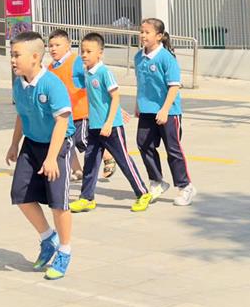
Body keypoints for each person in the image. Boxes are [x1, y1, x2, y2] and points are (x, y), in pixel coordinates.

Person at [7, 30, 76, 280]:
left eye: (17, 55)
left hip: (57, 146)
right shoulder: (19, 84)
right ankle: (48, 238)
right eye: (12, 55)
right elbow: (21, 115)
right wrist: (14, 144)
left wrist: (51, 157)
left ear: (35, 57)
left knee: (58, 203)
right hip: (31, 143)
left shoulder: (52, 84)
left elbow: (62, 122)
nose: (13, 60)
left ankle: (64, 251)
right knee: (20, 195)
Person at [70, 31, 151, 213]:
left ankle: (143, 193)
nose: (84, 55)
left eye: (89, 51)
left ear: (100, 53)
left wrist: (109, 122)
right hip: (94, 127)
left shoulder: (104, 72)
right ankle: (86, 198)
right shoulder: (87, 73)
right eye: (82, 51)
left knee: (123, 160)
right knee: (90, 162)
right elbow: (98, 100)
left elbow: (115, 97)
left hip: (111, 127)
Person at [135, 17, 192, 206]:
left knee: (173, 149)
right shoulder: (138, 57)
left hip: (168, 111)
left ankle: (185, 186)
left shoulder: (166, 58)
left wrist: (165, 110)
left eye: (147, 32)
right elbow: (141, 83)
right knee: (143, 144)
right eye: (141, 32)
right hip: (147, 110)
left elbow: (174, 86)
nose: (143, 35)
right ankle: (157, 181)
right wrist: (138, 104)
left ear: (159, 36)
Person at [45, 29, 91, 183]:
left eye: (57, 45)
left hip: (81, 112)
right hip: (64, 116)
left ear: (68, 45)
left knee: (82, 140)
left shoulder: (76, 61)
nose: (53, 49)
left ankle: (107, 155)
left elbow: (91, 78)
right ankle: (77, 170)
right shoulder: (50, 68)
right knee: (67, 144)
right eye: (51, 45)